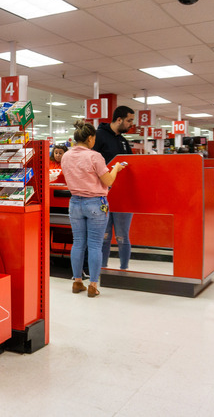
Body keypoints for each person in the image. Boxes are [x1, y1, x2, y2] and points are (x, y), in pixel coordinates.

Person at [61, 121, 125, 297]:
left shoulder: (66, 156)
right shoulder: (94, 156)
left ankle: (77, 282)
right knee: (95, 245)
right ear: (90, 138)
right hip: (95, 203)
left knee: (78, 242)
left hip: (75, 203)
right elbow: (108, 181)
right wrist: (116, 169)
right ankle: (93, 286)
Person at [93, 106, 134, 271]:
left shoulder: (123, 141)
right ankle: (101, 270)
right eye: (129, 120)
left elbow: (132, 165)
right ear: (119, 119)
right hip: (103, 195)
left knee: (122, 236)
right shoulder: (99, 137)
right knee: (104, 236)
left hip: (124, 196)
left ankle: (124, 269)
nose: (131, 124)